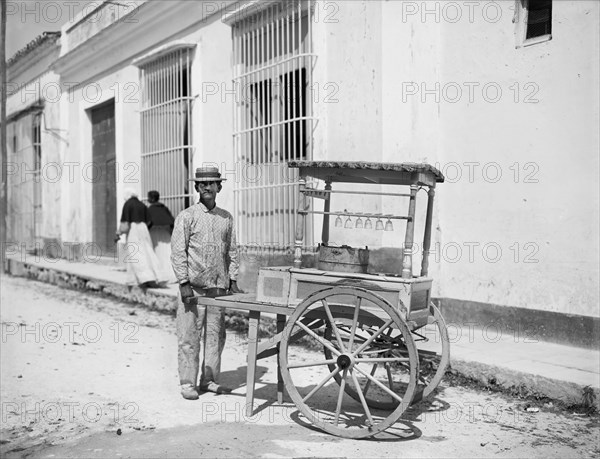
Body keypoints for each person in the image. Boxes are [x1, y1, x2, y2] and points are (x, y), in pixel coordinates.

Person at [171, 166, 243, 400]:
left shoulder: (226, 218)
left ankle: (209, 380)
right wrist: (183, 282)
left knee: (215, 336)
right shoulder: (187, 216)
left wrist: (232, 279)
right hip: (193, 288)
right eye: (203, 184)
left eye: (212, 183)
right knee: (189, 336)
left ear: (219, 187)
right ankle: (187, 383)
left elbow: (232, 250)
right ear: (196, 187)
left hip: (217, 289)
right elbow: (178, 252)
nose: (207, 187)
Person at [115, 189, 165, 289]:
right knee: (148, 252)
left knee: (136, 254)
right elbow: (149, 221)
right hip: (144, 229)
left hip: (134, 230)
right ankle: (153, 276)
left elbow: (125, 224)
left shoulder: (128, 204)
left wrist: (118, 234)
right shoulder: (142, 204)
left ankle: (145, 278)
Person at [147, 190, 177, 284]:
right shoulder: (164, 208)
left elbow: (148, 223)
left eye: (148, 197)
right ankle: (172, 275)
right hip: (165, 235)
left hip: (154, 235)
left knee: (156, 255)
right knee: (167, 255)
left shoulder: (150, 209)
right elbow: (171, 221)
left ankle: (159, 276)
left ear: (151, 198)